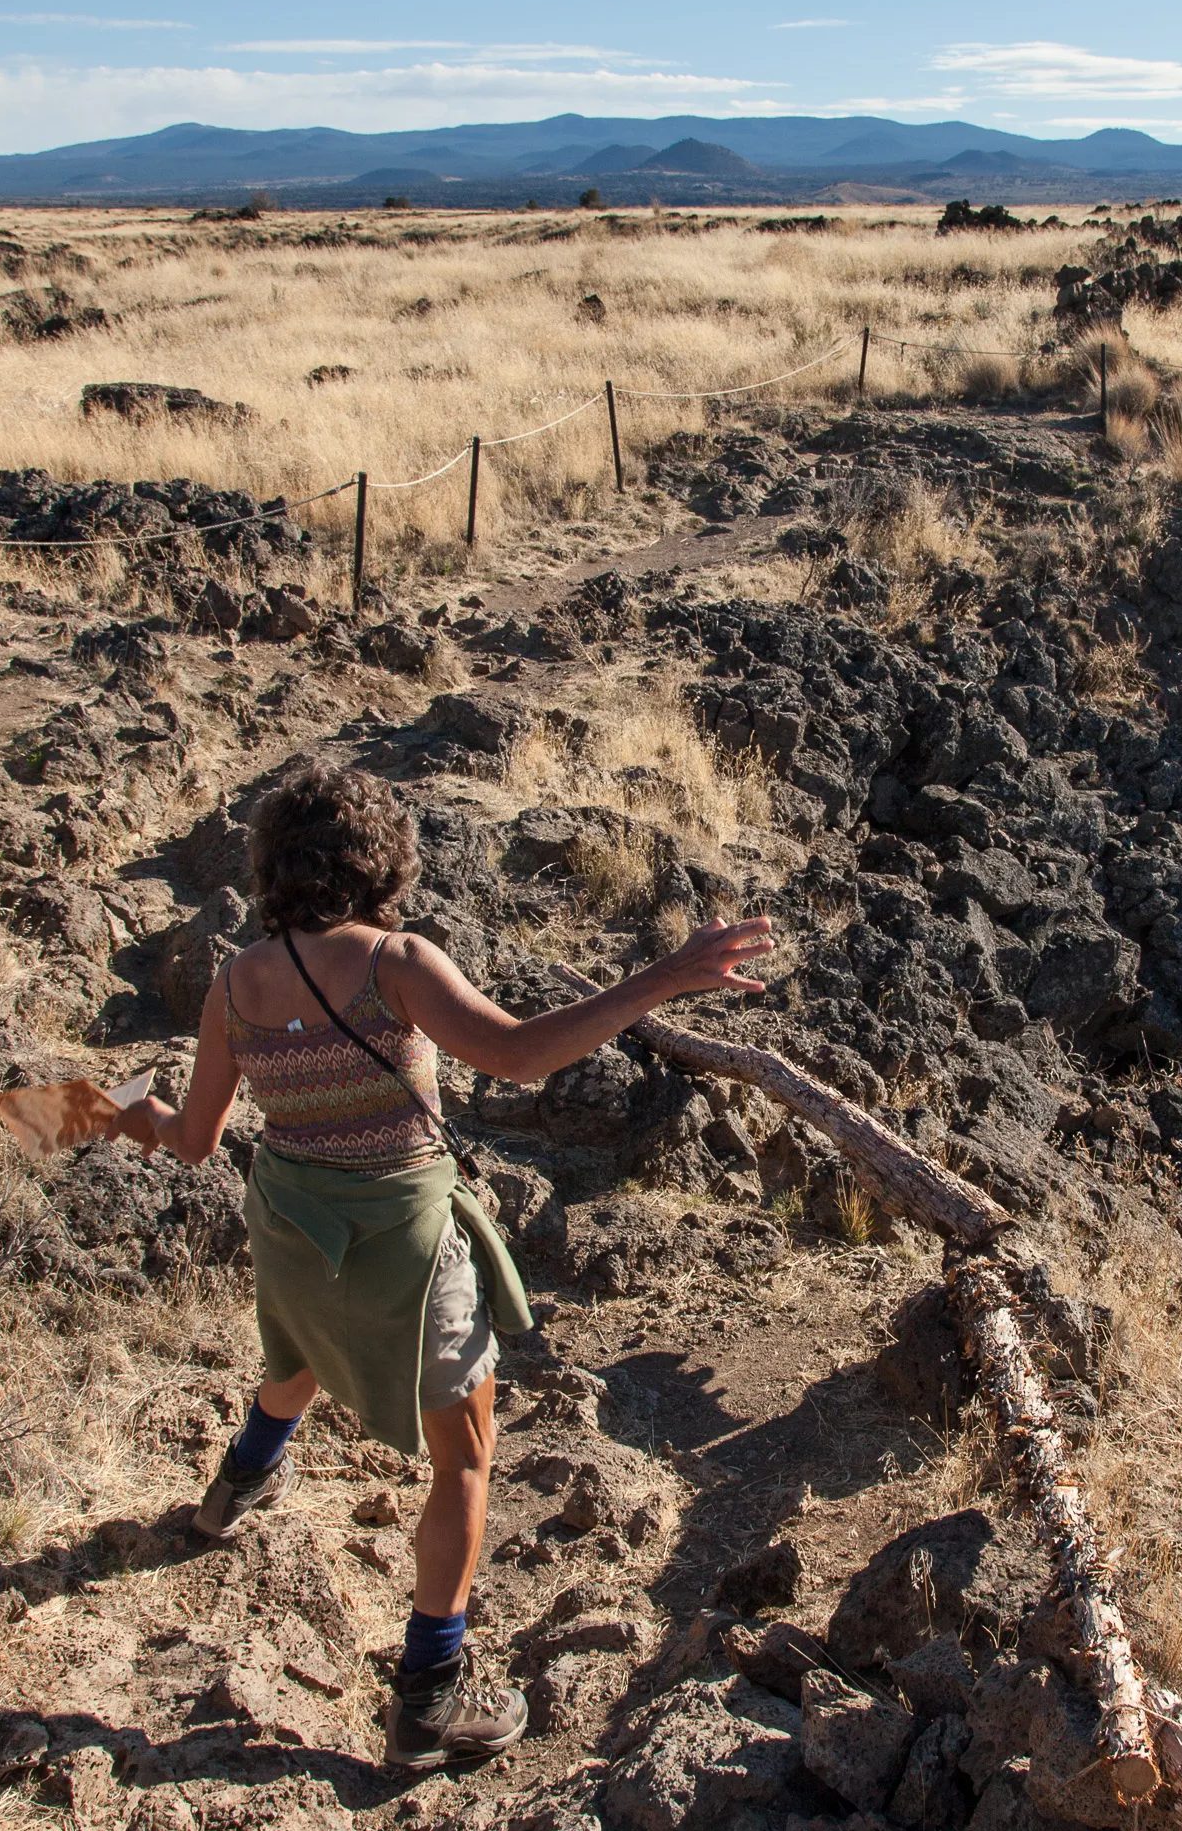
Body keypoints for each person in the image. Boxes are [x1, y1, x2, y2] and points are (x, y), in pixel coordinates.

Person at [113, 759, 772, 1771]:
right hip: (405, 1243)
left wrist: (129, 1116)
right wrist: (663, 979)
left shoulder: (234, 983)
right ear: (380, 859)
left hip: (293, 1226)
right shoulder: (396, 962)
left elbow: (196, 1139)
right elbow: (516, 1055)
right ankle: (430, 1696)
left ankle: (233, 1488)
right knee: (462, 1458)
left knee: (299, 1340)